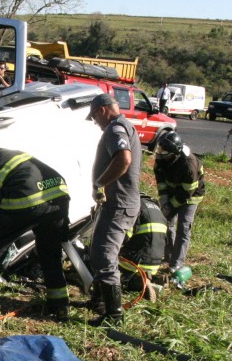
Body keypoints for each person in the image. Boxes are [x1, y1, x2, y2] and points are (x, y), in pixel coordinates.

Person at [0, 144, 71, 318]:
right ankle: (59, 306)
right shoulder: (5, 155)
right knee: (50, 252)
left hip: (28, 199)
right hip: (58, 195)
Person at [87, 92, 142, 326]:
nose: (96, 124)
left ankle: (114, 315)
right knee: (97, 249)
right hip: (118, 202)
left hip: (120, 203)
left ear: (102, 110)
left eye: (95, 118)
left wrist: (100, 182)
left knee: (104, 255)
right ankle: (99, 302)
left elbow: (124, 159)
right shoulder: (125, 125)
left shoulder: (115, 128)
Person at [154, 131, 205, 274]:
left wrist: (171, 205)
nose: (159, 153)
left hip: (190, 195)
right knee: (167, 223)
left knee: (184, 227)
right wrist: (164, 199)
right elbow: (160, 179)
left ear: (174, 152)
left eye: (163, 151)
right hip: (172, 191)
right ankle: (169, 255)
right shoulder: (161, 158)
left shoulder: (189, 165)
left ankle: (177, 262)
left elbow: (187, 192)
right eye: (159, 149)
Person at [118, 194, 167, 302]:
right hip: (156, 262)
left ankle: (138, 282)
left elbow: (124, 236)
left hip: (139, 261)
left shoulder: (134, 206)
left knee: (114, 270)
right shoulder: (156, 208)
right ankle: (155, 279)